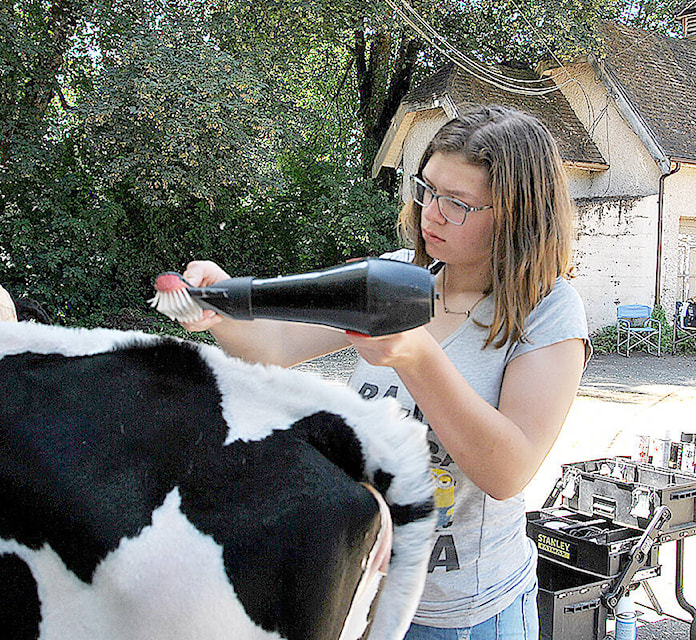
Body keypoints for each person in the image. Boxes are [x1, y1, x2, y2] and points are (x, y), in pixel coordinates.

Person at [180, 105, 590, 639]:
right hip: (360, 598)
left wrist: (417, 356)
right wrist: (224, 305)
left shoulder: (549, 311)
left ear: (517, 213)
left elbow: (507, 471)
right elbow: (277, 342)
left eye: (458, 203)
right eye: (427, 189)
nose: (432, 213)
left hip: (461, 616)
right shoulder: (396, 276)